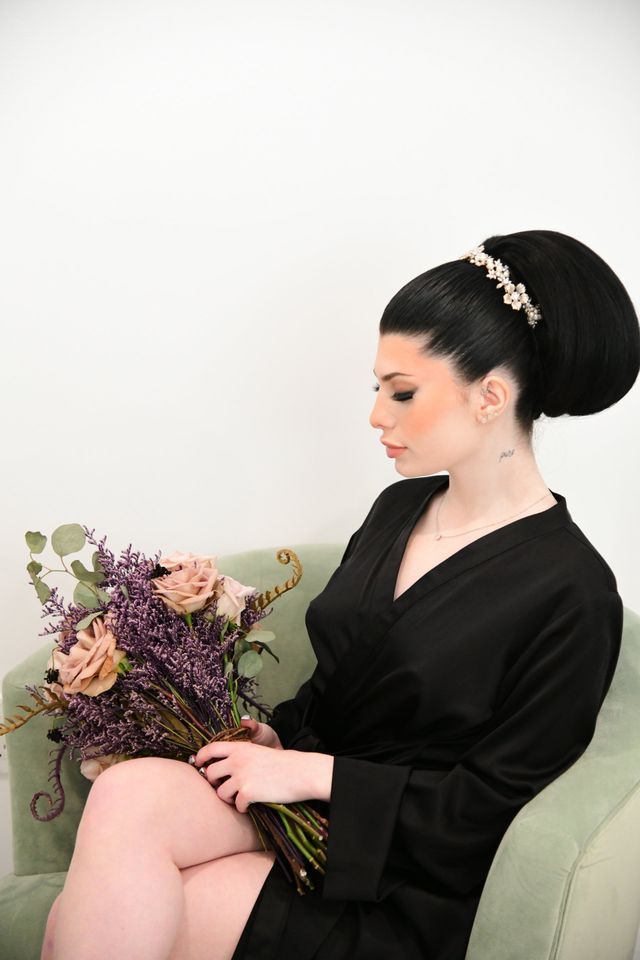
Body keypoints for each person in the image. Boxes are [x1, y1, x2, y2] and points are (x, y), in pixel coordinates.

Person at [43, 229, 639, 960]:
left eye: (404, 393)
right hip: (308, 808)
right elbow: (342, 685)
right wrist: (276, 741)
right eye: (377, 389)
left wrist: (309, 772)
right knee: (125, 794)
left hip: (404, 877)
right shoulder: (398, 511)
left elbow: (489, 809)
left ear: (490, 397)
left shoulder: (573, 591)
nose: (377, 417)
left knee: (129, 913)